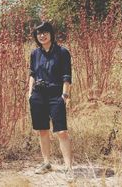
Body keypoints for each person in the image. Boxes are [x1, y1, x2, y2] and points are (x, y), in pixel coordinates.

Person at [28, 22, 74, 180]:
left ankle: (68, 167)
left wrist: (65, 95)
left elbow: (66, 76)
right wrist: (29, 94)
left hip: (56, 94)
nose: (42, 35)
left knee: (61, 131)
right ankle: (46, 163)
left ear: (51, 34)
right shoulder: (35, 54)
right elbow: (32, 74)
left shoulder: (62, 52)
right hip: (38, 95)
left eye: (45, 32)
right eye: (39, 33)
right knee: (42, 130)